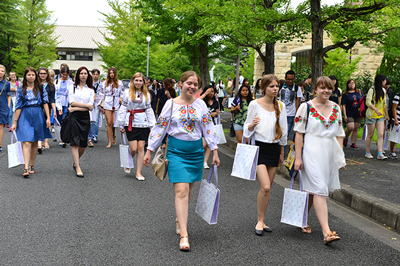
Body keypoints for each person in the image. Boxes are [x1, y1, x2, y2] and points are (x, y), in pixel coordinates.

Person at [143, 71, 220, 251]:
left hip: (196, 152)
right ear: (181, 83)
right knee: (181, 190)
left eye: (195, 84)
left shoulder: (201, 105)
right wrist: (149, 150)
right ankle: (184, 235)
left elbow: (208, 128)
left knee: (189, 190)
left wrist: (215, 151)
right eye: (189, 83)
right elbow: (160, 127)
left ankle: (180, 218)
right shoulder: (170, 104)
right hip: (176, 151)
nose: (192, 87)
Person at [294, 76, 345, 245]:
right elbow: (299, 133)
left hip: (329, 154)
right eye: (322, 88)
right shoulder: (305, 107)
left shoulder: (336, 107)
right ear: (314, 89)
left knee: (312, 190)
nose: (326, 91)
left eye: (329, 88)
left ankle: (300, 219)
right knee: (319, 189)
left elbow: (339, 134)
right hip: (311, 152)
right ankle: (327, 232)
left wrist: (340, 157)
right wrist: (298, 157)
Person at [243, 74, 287, 236]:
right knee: (265, 186)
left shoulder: (280, 106)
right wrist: (252, 124)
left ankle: (262, 219)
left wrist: (282, 151)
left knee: (268, 190)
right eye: (272, 86)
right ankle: (259, 221)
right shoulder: (254, 104)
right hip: (259, 149)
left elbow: (284, 129)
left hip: (274, 149)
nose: (275, 89)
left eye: (277, 86)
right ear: (264, 88)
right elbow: (247, 129)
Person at [10, 67, 52, 177]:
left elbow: (45, 103)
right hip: (25, 115)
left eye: (33, 75)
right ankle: (25, 167)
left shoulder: (41, 88)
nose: (31, 77)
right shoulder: (20, 90)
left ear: (36, 76)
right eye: (29, 75)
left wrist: (48, 117)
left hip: (38, 114)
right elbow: (18, 106)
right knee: (26, 141)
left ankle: (31, 165)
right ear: (25, 76)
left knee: (34, 142)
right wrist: (15, 122)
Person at [118, 73, 155, 180]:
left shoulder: (147, 94)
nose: (138, 83)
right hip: (130, 122)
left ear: (143, 82)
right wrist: (120, 123)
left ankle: (138, 172)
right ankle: (128, 162)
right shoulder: (127, 93)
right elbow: (123, 108)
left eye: (140, 81)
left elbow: (149, 110)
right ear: (133, 81)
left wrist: (152, 126)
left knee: (140, 148)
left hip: (143, 122)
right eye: (136, 80)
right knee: (133, 148)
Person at [68, 67, 95, 178]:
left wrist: (75, 108)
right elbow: (71, 102)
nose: (83, 75)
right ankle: (78, 167)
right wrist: (86, 106)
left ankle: (76, 161)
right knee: (75, 142)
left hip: (85, 117)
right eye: (81, 73)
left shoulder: (91, 90)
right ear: (78, 75)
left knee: (83, 145)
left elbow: (91, 107)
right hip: (74, 117)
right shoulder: (72, 87)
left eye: (85, 73)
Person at [98, 67, 125, 148]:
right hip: (107, 102)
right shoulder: (105, 83)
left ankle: (114, 134)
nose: (111, 74)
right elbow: (101, 93)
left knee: (113, 123)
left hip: (116, 103)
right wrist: (99, 103)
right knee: (109, 123)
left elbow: (123, 92)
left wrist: (121, 98)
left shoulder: (119, 83)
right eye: (110, 73)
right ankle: (109, 141)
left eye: (113, 73)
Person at [365, 74, 389, 160]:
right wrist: (375, 110)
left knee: (380, 134)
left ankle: (380, 152)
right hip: (372, 115)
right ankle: (367, 151)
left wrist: (386, 115)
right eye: (384, 80)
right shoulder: (372, 90)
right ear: (381, 81)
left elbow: (384, 103)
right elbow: (368, 102)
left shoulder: (383, 90)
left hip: (381, 116)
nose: (385, 82)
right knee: (370, 134)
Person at [278, 70, 303, 139]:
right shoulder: (280, 87)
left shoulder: (297, 88)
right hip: (280, 113)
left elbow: (297, 103)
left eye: (292, 79)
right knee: (279, 133)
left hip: (290, 115)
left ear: (294, 79)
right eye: (288, 79)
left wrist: (296, 115)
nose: (290, 81)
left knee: (286, 133)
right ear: (285, 78)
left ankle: (283, 149)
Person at [37, 67, 56, 151]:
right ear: (38, 74)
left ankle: (46, 141)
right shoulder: (35, 84)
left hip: (47, 106)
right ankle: (40, 142)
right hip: (37, 106)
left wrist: (54, 110)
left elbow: (52, 99)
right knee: (39, 124)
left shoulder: (51, 85)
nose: (43, 75)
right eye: (41, 73)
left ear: (47, 74)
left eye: (44, 73)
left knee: (47, 123)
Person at [341, 79, 363, 150]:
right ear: (347, 85)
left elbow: (362, 101)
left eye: (353, 83)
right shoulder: (345, 94)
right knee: (350, 127)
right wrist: (345, 115)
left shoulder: (359, 92)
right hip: (349, 113)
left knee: (356, 128)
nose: (352, 84)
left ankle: (353, 143)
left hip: (358, 113)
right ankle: (346, 137)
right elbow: (343, 105)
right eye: (350, 83)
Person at [201, 85, 219, 169]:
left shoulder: (215, 102)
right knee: (203, 144)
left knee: (209, 144)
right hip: (201, 125)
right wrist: (205, 94)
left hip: (211, 125)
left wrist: (215, 114)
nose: (211, 93)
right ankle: (200, 159)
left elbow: (217, 112)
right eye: (209, 91)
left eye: (213, 91)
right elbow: (195, 102)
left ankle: (205, 162)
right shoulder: (202, 101)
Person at [55, 65, 74, 147]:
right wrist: (58, 106)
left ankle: (65, 138)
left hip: (67, 102)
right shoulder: (56, 81)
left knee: (65, 120)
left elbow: (71, 94)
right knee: (58, 121)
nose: (65, 76)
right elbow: (55, 94)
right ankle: (59, 138)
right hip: (58, 101)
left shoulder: (70, 82)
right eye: (63, 74)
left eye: (66, 74)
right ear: (60, 73)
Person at [88, 69, 102, 147]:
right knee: (90, 120)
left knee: (95, 120)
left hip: (97, 103)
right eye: (94, 74)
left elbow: (102, 94)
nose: (95, 76)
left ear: (99, 75)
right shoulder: (89, 83)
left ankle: (94, 135)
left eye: (97, 74)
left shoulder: (101, 84)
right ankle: (89, 135)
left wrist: (100, 104)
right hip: (90, 103)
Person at [0, 65, 11, 152]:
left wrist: (8, 106)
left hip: (3, 106)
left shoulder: (7, 83)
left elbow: (9, 95)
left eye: (2, 71)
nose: (0, 72)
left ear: (4, 73)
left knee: (0, 126)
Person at [389, 90, 400, 159]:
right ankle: (391, 152)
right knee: (394, 136)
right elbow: (394, 108)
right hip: (398, 119)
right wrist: (396, 119)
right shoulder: (398, 96)